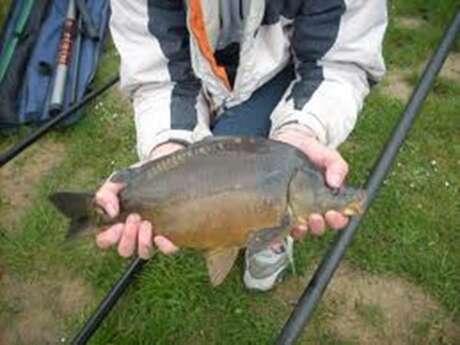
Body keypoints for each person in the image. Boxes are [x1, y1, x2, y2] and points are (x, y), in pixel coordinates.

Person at [95, 0, 387, 291]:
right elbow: (158, 76)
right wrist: (166, 146)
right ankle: (242, 229)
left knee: (249, 160)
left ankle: (267, 239)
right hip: (198, 76)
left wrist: (304, 128)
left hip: (280, 70)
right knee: (219, 174)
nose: (334, 192)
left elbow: (339, 61)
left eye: (331, 191)